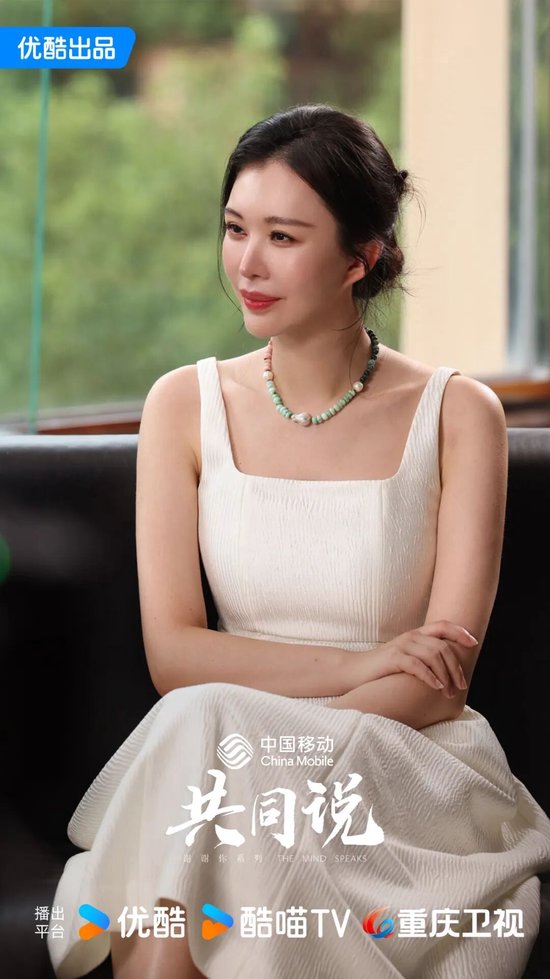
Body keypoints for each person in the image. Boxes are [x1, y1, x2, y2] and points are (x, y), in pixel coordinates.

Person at [48, 103, 550, 979]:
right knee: (202, 729)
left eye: (282, 236)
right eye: (235, 228)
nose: (247, 262)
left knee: (206, 734)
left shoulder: (459, 415)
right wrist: (365, 660)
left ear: (362, 257)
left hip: (399, 764)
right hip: (225, 759)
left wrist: (283, 738)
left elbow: (440, 681)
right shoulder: (183, 405)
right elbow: (175, 655)